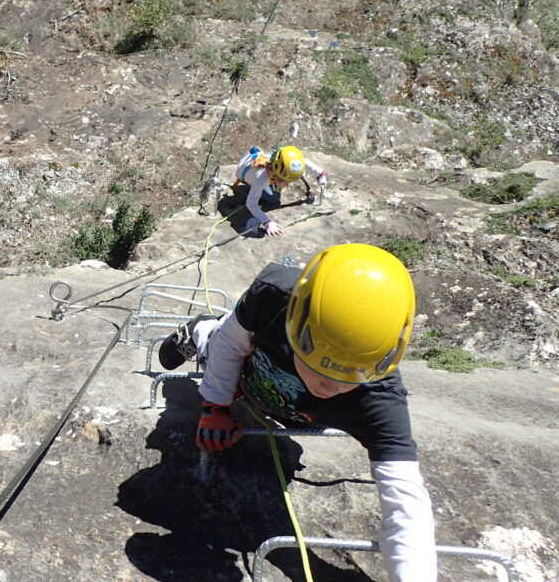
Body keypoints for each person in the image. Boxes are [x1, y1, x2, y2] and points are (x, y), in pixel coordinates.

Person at [159, 243, 436, 582]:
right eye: (319, 369)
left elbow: (405, 504)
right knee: (219, 343)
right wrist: (214, 408)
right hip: (252, 377)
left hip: (288, 409)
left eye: (348, 379)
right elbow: (231, 347)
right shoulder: (273, 296)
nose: (329, 387)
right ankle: (202, 330)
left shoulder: (381, 399)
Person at [231, 146, 328, 237]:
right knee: (273, 198)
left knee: (276, 189)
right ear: (274, 173)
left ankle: (275, 182)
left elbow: (300, 161)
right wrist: (267, 222)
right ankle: (248, 187)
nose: (286, 185)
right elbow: (251, 204)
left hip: (255, 161)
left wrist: (320, 174)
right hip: (246, 173)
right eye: (283, 180)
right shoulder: (261, 179)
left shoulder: (281, 161)